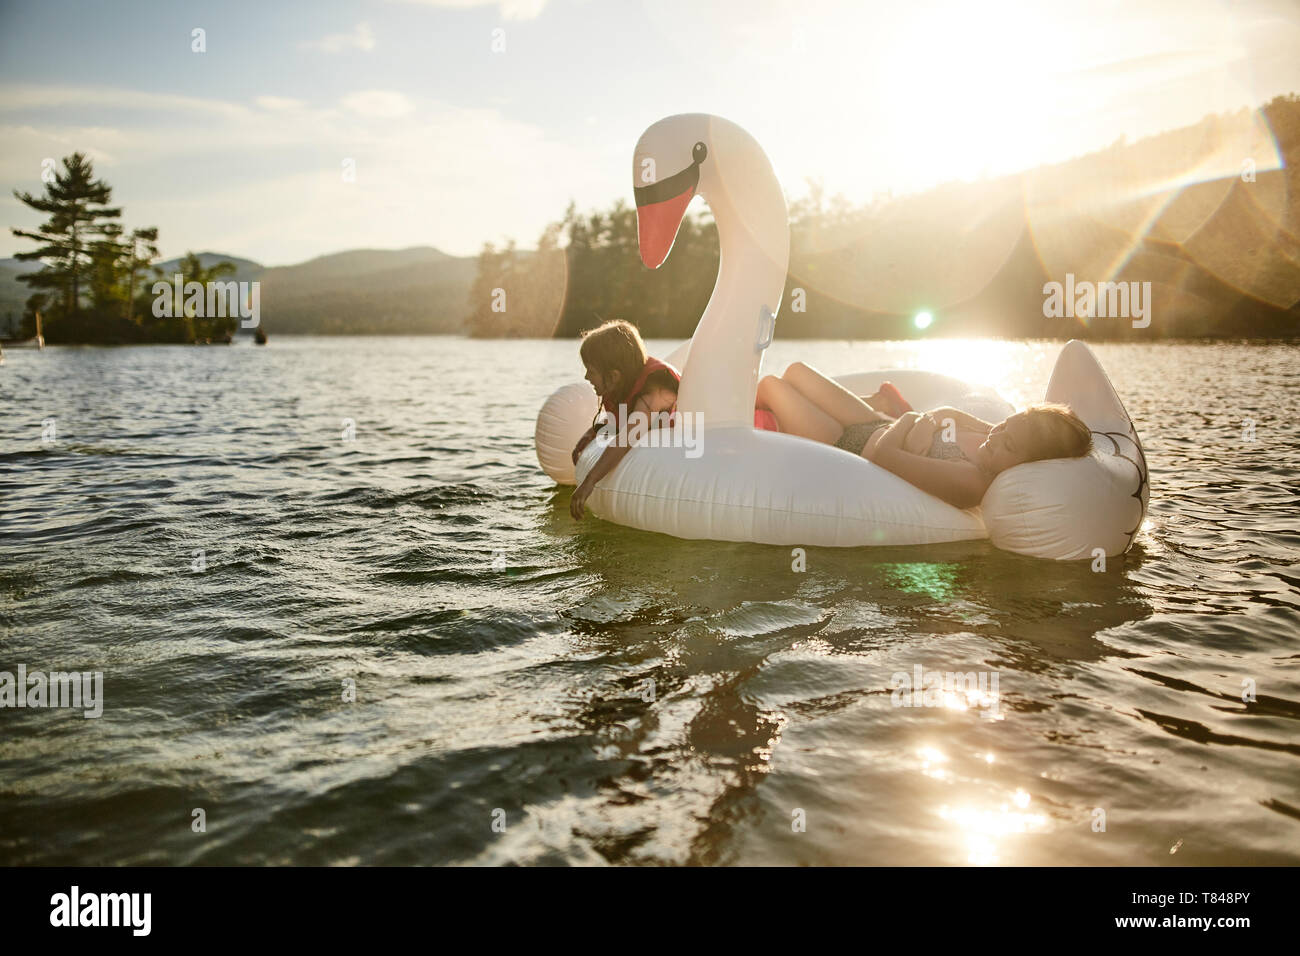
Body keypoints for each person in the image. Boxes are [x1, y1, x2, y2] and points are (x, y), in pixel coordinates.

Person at [756, 361, 1092, 510]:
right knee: (795, 371)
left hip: (844, 443)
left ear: (1024, 463)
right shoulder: (1001, 442)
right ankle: (883, 404)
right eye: (1005, 425)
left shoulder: (974, 479)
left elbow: (884, 458)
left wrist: (911, 422)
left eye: (1006, 441)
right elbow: (949, 414)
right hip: (874, 422)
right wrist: (925, 423)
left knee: (772, 386)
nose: (995, 434)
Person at [569, 319, 778, 519]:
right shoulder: (626, 387)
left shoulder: (653, 394)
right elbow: (619, 419)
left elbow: (626, 438)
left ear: (614, 376)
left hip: (758, 427)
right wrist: (592, 433)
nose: (587, 377)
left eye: (591, 370)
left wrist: (590, 482)